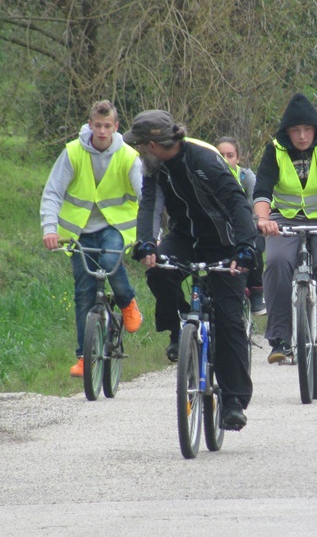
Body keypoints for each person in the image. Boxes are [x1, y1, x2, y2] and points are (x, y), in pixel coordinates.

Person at [126, 110, 257, 431]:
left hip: (224, 242)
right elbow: (149, 205)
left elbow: (237, 202)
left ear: (153, 145)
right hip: (185, 238)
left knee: (228, 319)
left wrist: (245, 246)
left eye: (140, 145)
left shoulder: (204, 160)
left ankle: (233, 401)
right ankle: (177, 329)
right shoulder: (154, 167)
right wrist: (146, 243)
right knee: (159, 271)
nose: (138, 151)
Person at [40, 99, 144, 379]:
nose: (102, 131)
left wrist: (149, 235)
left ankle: (127, 302)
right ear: (90, 125)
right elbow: (53, 192)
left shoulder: (128, 156)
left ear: (116, 127)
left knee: (110, 262)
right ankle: (84, 357)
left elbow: (146, 196)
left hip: (114, 227)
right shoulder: (73, 153)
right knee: (84, 293)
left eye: (107, 126)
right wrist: (49, 229)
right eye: (97, 125)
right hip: (79, 231)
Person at [252, 92, 317, 363]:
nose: (301, 136)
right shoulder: (275, 150)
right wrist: (262, 220)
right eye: (295, 130)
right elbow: (262, 189)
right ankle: (279, 338)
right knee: (277, 262)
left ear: (316, 129)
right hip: (285, 219)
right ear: (286, 132)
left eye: (307, 129)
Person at [216, 136, 266, 316]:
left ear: (238, 158)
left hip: (247, 227)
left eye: (230, 155)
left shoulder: (246, 177)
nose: (225, 160)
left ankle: (256, 290)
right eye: (220, 155)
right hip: (220, 229)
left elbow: (256, 206)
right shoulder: (205, 176)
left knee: (254, 248)